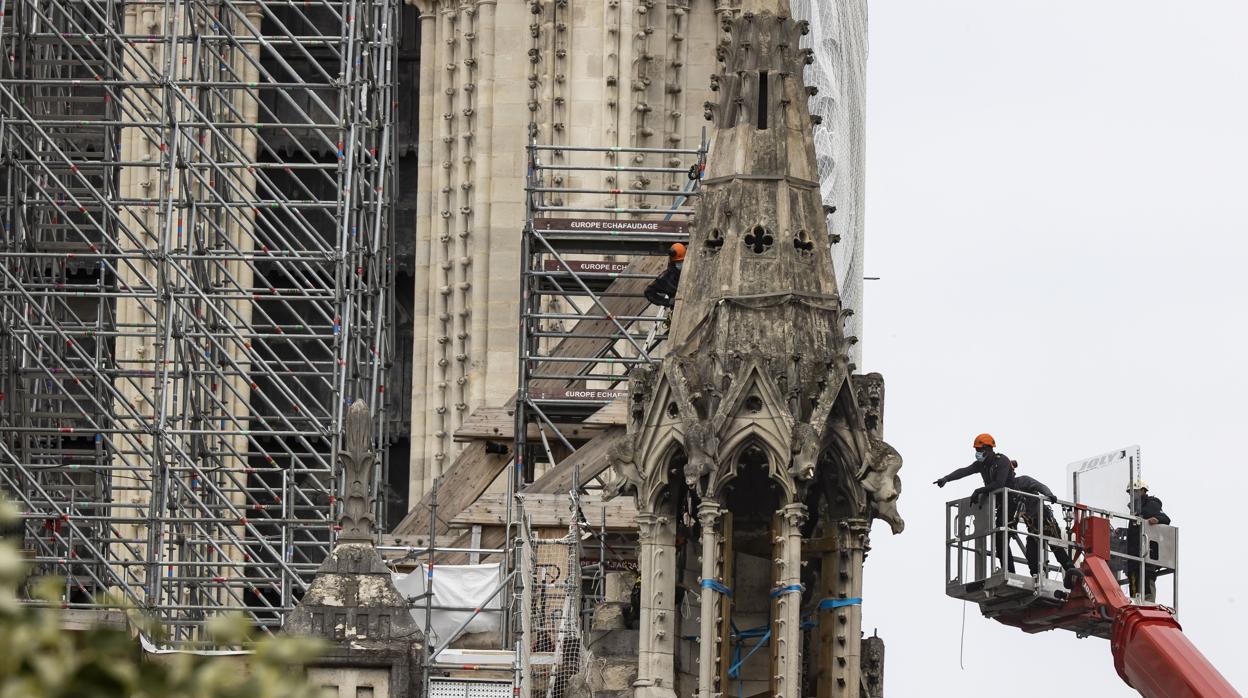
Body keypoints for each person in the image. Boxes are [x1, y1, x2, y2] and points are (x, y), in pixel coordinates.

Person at [934, 433, 1016, 572]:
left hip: (1010, 501)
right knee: (998, 538)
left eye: (980, 450)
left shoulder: (1001, 461)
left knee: (1001, 537)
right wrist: (946, 478)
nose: (977, 453)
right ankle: (1005, 570)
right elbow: (964, 471)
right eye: (976, 451)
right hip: (998, 502)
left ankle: (1009, 572)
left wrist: (979, 491)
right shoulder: (982, 464)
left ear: (989, 449)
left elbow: (999, 483)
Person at [1009, 461, 1074, 577]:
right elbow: (1014, 511)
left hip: (1045, 522)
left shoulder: (1022, 481)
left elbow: (1039, 486)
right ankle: (1036, 575)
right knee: (1031, 552)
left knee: (1057, 549)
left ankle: (1072, 572)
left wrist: (1049, 494)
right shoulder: (1007, 491)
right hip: (1033, 527)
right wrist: (1013, 525)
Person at [1126, 478, 1170, 602]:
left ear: (1142, 490)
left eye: (1133, 491)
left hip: (1146, 556)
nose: (1131, 495)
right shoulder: (1134, 510)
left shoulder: (1150, 504)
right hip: (1133, 558)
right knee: (1135, 592)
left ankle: (1148, 609)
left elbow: (1165, 518)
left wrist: (1157, 518)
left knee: (1147, 590)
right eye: (1130, 493)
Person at [644, 243, 685, 308]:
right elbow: (649, 292)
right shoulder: (668, 277)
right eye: (678, 262)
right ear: (673, 262)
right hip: (678, 312)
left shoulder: (694, 271)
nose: (680, 264)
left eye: (682, 261)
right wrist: (667, 301)